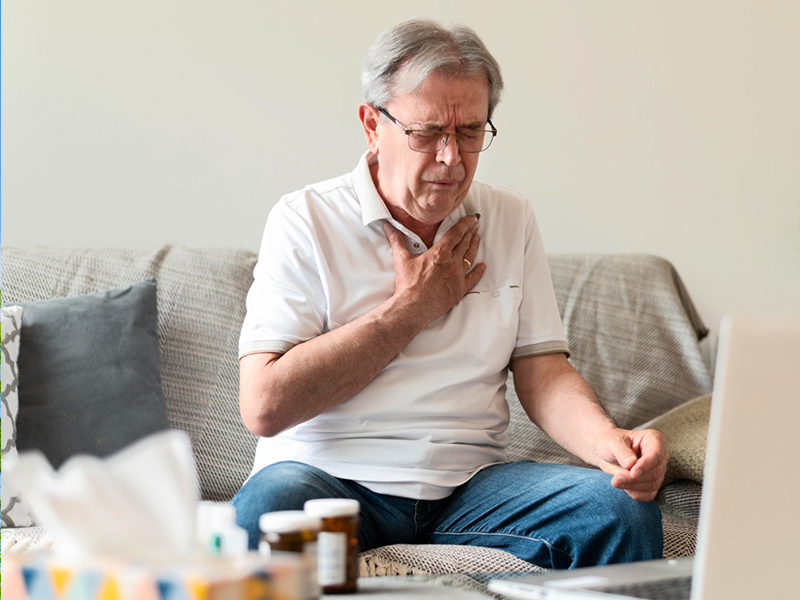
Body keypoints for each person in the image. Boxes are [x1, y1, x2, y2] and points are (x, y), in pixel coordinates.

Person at [233, 18, 667, 569]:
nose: (451, 159)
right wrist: (410, 310)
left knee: (619, 508)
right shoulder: (305, 219)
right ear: (372, 124)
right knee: (266, 509)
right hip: (328, 480)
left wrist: (612, 446)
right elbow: (265, 405)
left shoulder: (510, 217)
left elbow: (542, 371)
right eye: (427, 132)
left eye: (469, 133)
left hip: (468, 489)